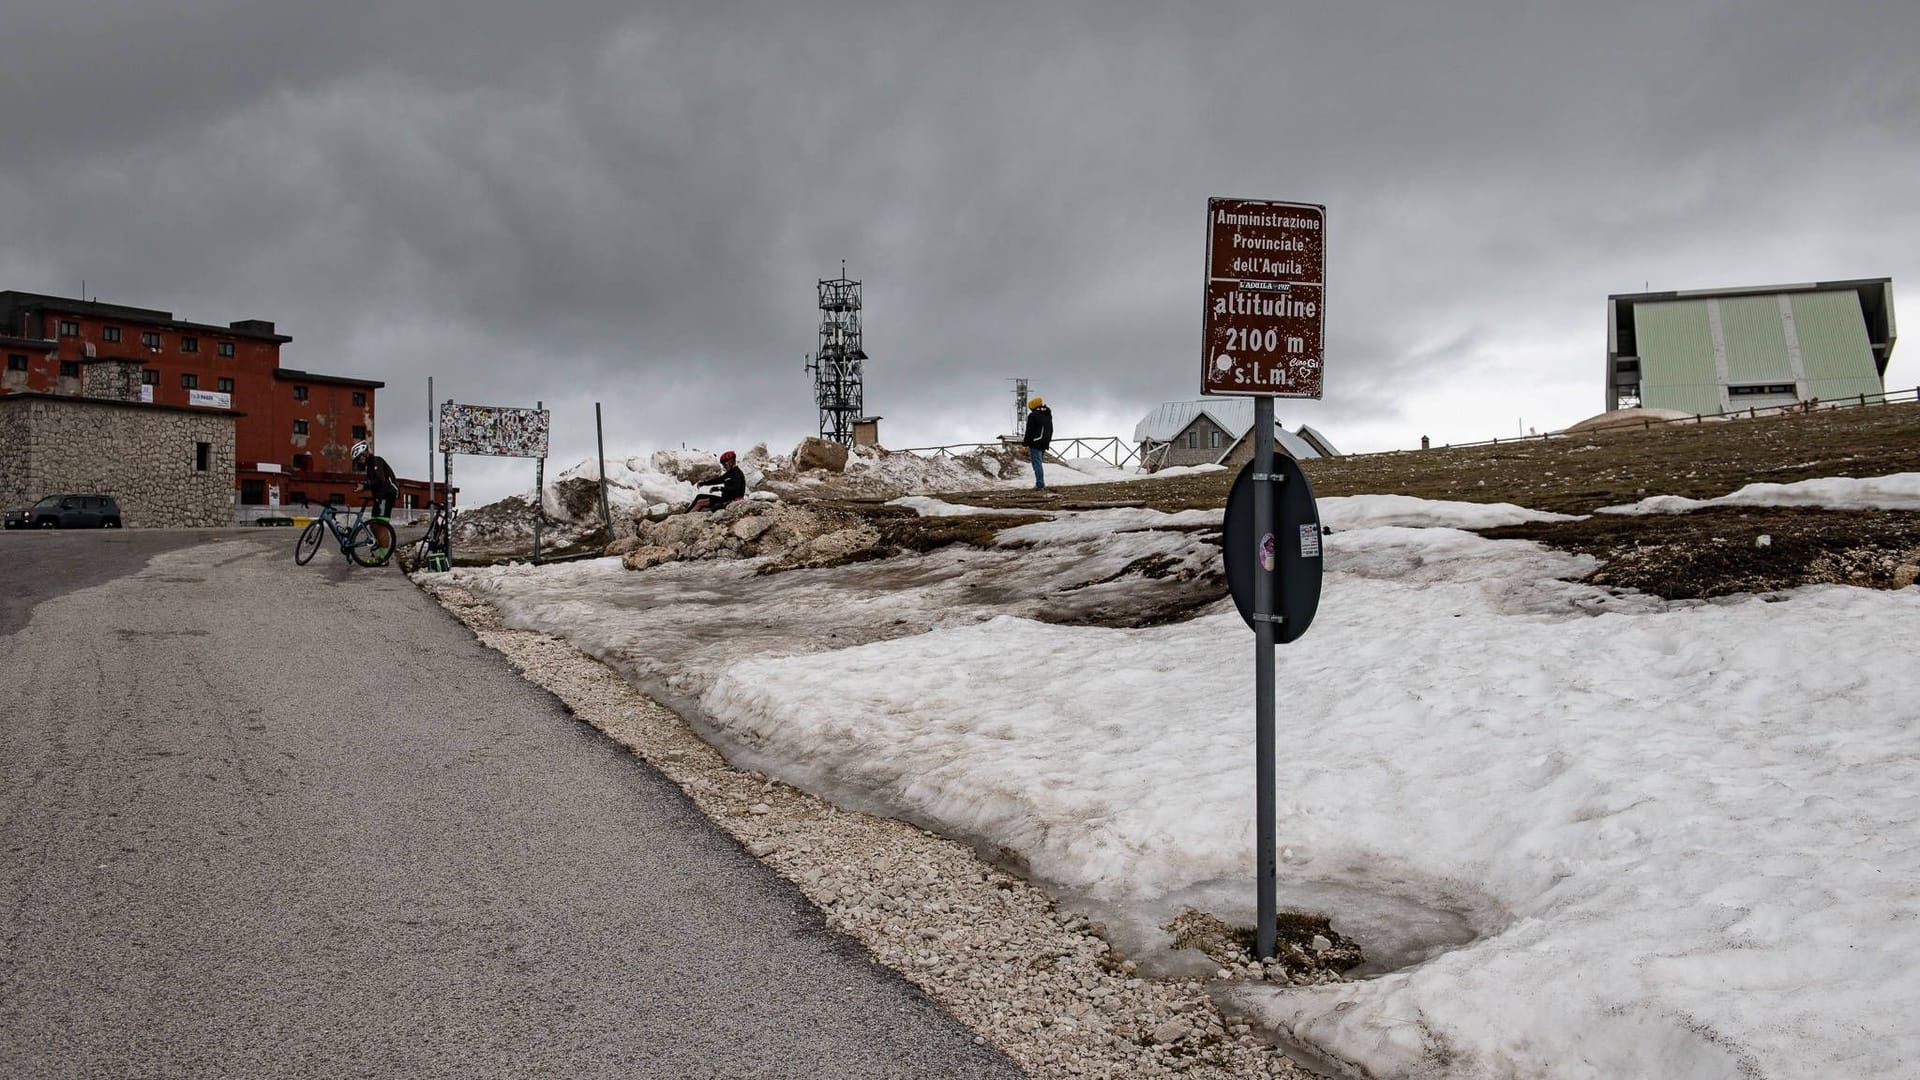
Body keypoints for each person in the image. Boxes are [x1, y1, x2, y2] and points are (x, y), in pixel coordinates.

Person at [352, 440, 400, 559]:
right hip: (379, 497)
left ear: (364, 453)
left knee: (381, 525)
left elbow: (380, 480)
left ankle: (384, 558)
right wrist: (363, 487)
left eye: (359, 458)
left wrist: (364, 486)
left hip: (386, 495)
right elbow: (373, 483)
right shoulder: (369, 466)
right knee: (373, 525)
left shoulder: (376, 461)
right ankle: (380, 547)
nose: (359, 461)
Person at [1022, 396, 1053, 490]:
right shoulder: (1047, 415)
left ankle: (1040, 484)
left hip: (1035, 442)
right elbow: (1051, 430)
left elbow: (1029, 430)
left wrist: (1025, 443)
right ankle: (1040, 483)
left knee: (1037, 464)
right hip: (1044, 443)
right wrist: (1047, 442)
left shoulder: (1033, 416)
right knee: (1039, 463)